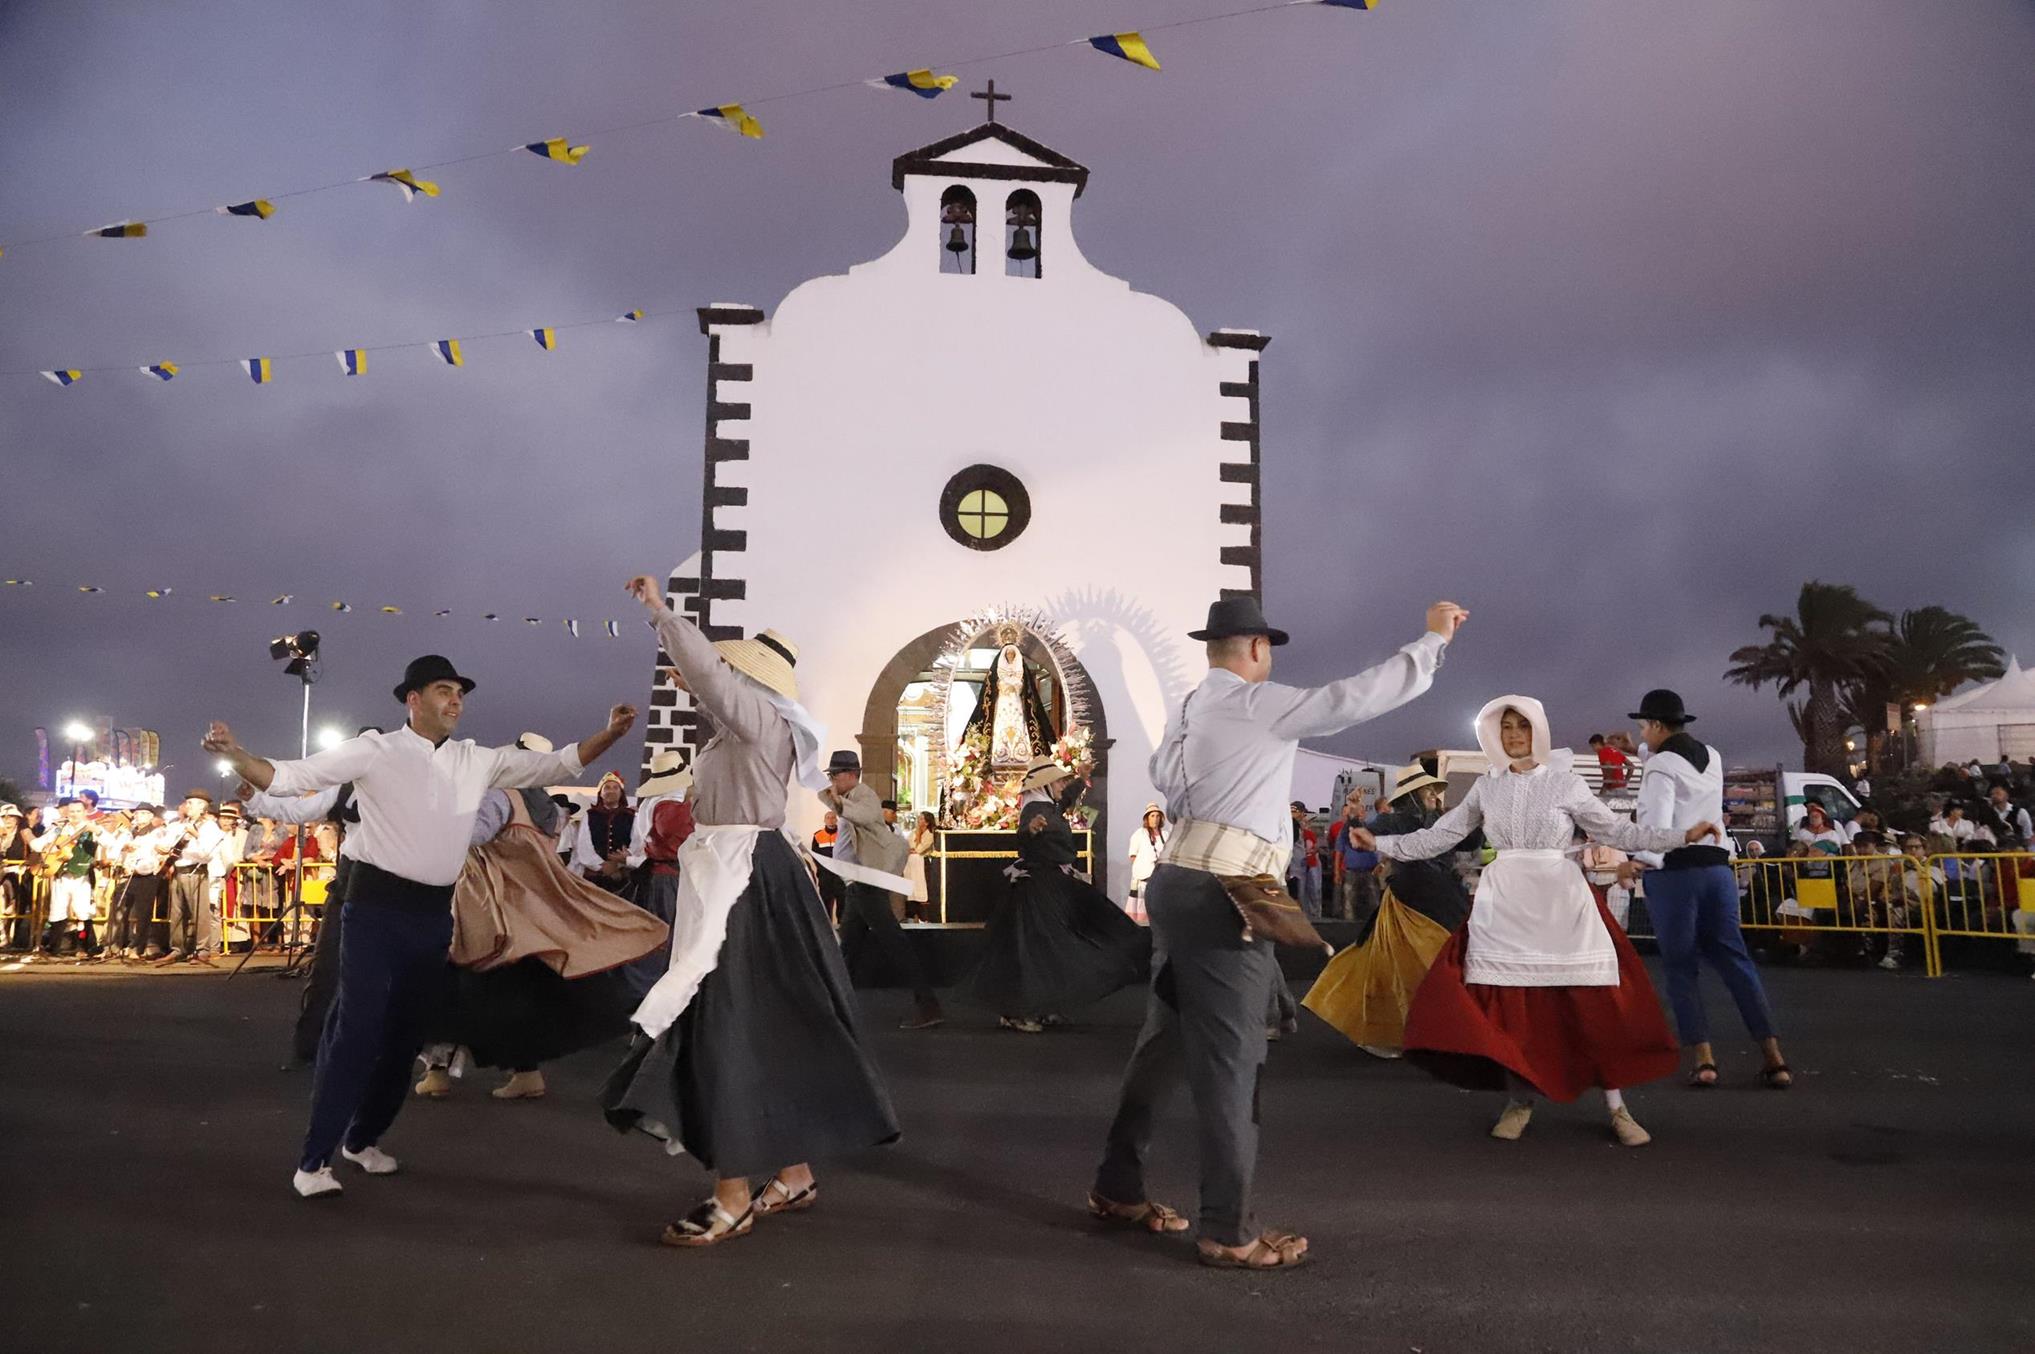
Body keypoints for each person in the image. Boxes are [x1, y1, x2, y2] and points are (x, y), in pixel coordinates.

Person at [1091, 594, 1466, 1272]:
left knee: (1165, 1042)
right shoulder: (1254, 704)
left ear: (1214, 648)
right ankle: (1227, 1229)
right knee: (1232, 1060)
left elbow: (1157, 777)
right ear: (1258, 649)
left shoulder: (1187, 711)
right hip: (1224, 891)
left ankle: (1118, 1185)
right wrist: (1431, 641)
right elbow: (1354, 698)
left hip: (1178, 882)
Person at [205, 652, 634, 1199]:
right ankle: (313, 1160)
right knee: (357, 1032)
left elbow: (558, 766)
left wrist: (612, 733)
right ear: (413, 698)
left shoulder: (475, 759)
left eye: (460, 692)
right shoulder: (374, 749)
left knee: (406, 1035)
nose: (456, 700)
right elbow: (289, 777)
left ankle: (362, 1141)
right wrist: (235, 754)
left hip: (433, 915)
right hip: (374, 913)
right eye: (443, 690)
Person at [604, 577, 900, 1248]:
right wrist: (692, 677)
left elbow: (713, 681)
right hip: (739, 877)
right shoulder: (752, 727)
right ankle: (792, 1172)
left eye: (728, 674)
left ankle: (732, 1190)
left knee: (725, 1025)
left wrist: (659, 612)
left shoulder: (757, 720)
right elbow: (711, 686)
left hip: (742, 883)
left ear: (746, 681)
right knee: (761, 1021)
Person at [1351, 699, 1700, 1146]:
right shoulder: (1486, 787)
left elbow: (1619, 832)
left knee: (1592, 1003)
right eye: (1506, 727)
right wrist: (1379, 840)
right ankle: (1520, 1100)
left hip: (1562, 900)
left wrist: (1679, 836)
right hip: (1506, 903)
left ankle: (1618, 1107)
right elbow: (1439, 836)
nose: (1514, 735)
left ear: (1538, 731)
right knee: (1514, 1004)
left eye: (1522, 726)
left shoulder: (1566, 783)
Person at [414, 779, 667, 1102]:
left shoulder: (499, 798)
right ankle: (525, 1072)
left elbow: (469, 837)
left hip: (485, 903)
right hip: (530, 906)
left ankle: (438, 1070)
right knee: (521, 988)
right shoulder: (544, 808)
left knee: (456, 982)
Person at [1620, 689, 1792, 1090]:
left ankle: (1704, 1059)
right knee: (1736, 961)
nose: (1641, 734)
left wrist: (1637, 860)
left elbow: (1660, 826)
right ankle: (1774, 1057)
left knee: (1681, 969)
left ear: (1659, 726)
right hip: (1717, 871)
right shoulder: (1710, 755)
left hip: (1677, 873)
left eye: (1644, 726)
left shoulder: (1660, 764)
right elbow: (1665, 762)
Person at [964, 755, 1145, 1032]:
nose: (1061, 785)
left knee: (1051, 946)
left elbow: (1063, 800)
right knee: (1040, 948)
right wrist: (1031, 830)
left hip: (1052, 884)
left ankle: (1044, 1006)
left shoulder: (1048, 805)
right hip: (1039, 887)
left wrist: (1079, 778)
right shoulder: (1035, 808)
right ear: (1045, 785)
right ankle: (1022, 1010)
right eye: (1058, 781)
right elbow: (1024, 834)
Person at [1304, 764, 1468, 1058]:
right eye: (1427, 789)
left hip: (1441, 899)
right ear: (1413, 795)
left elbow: (1473, 840)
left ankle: (1438, 1031)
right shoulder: (1396, 821)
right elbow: (1362, 840)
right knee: (1406, 967)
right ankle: (1421, 1031)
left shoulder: (1443, 820)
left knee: (1427, 965)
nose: (1432, 794)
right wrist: (1354, 818)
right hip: (1414, 900)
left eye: (1433, 790)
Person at [818, 750, 944, 1030]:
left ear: (851, 775)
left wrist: (838, 803)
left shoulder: (864, 796)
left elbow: (865, 815)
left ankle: (927, 1002)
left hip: (867, 882)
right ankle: (835, 1007)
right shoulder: (851, 798)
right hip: (858, 882)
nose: (833, 780)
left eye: (835, 775)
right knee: (849, 946)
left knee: (891, 943)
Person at [156, 792, 226, 965]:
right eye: (187, 802)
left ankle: (202, 950)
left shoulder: (209, 827)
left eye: (192, 803)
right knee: (177, 913)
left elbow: (208, 853)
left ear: (202, 806)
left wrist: (196, 835)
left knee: (199, 913)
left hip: (196, 871)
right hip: (178, 871)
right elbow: (167, 843)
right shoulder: (179, 825)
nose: (188, 806)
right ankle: (177, 949)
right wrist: (161, 848)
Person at [571, 771, 635, 892]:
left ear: (621, 793)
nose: (611, 791)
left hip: (623, 877)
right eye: (607, 788)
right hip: (594, 877)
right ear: (601, 793)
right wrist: (601, 866)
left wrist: (619, 865)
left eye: (615, 788)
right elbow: (584, 845)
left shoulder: (631, 816)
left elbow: (637, 844)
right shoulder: (589, 815)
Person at [1326, 789, 1381, 927]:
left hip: (1370, 871)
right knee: (1349, 903)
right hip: (1351, 872)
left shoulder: (1371, 827)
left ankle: (1374, 928)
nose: (1360, 814)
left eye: (1362, 811)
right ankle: (1349, 931)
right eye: (1357, 811)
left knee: (1374, 902)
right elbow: (1339, 851)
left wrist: (1382, 865)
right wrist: (1337, 873)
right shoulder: (1346, 829)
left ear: (1365, 813)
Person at [1125, 804, 1167, 923]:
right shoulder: (1139, 834)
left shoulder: (1166, 835)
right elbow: (1133, 855)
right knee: (1142, 912)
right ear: (1147, 818)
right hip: (1144, 879)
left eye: (1158, 816)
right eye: (1152, 816)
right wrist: (1141, 870)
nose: (1155, 819)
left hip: (1161, 879)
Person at [1287, 802, 1322, 919]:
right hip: (1294, 868)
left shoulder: (1291, 825)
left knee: (1301, 894)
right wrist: (1287, 870)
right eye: (1302, 813)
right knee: (1297, 895)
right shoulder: (1293, 826)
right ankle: (1298, 920)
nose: (1303, 815)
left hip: (1297, 866)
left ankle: (1301, 917)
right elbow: (1288, 847)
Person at [810, 810, 843, 922]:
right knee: (825, 904)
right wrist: (823, 869)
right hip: (825, 876)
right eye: (828, 817)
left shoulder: (842, 835)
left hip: (840, 876)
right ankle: (828, 929)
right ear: (824, 820)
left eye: (833, 817)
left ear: (836, 820)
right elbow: (815, 855)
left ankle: (841, 928)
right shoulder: (818, 835)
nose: (830, 819)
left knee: (842, 904)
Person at [904, 811, 937, 923]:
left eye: (922, 819)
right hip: (911, 864)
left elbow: (919, 849)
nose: (919, 821)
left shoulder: (929, 834)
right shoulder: (913, 832)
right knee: (910, 889)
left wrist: (915, 847)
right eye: (919, 818)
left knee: (921, 889)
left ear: (927, 822)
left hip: (922, 864)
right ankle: (911, 915)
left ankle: (923, 917)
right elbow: (908, 845)